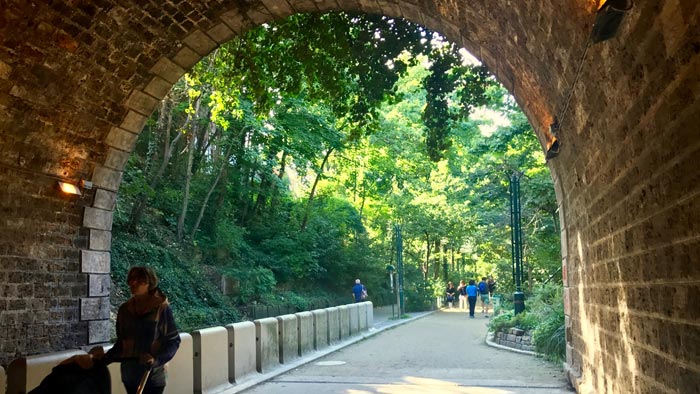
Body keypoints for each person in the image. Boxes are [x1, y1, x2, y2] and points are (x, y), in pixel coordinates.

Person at [96, 266, 181, 394]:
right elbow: (122, 345)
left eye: (139, 280)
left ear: (149, 283)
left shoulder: (161, 309)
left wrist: (155, 359)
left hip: (152, 375)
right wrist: (102, 359)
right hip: (129, 375)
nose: (133, 283)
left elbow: (173, 341)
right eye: (131, 279)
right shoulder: (125, 310)